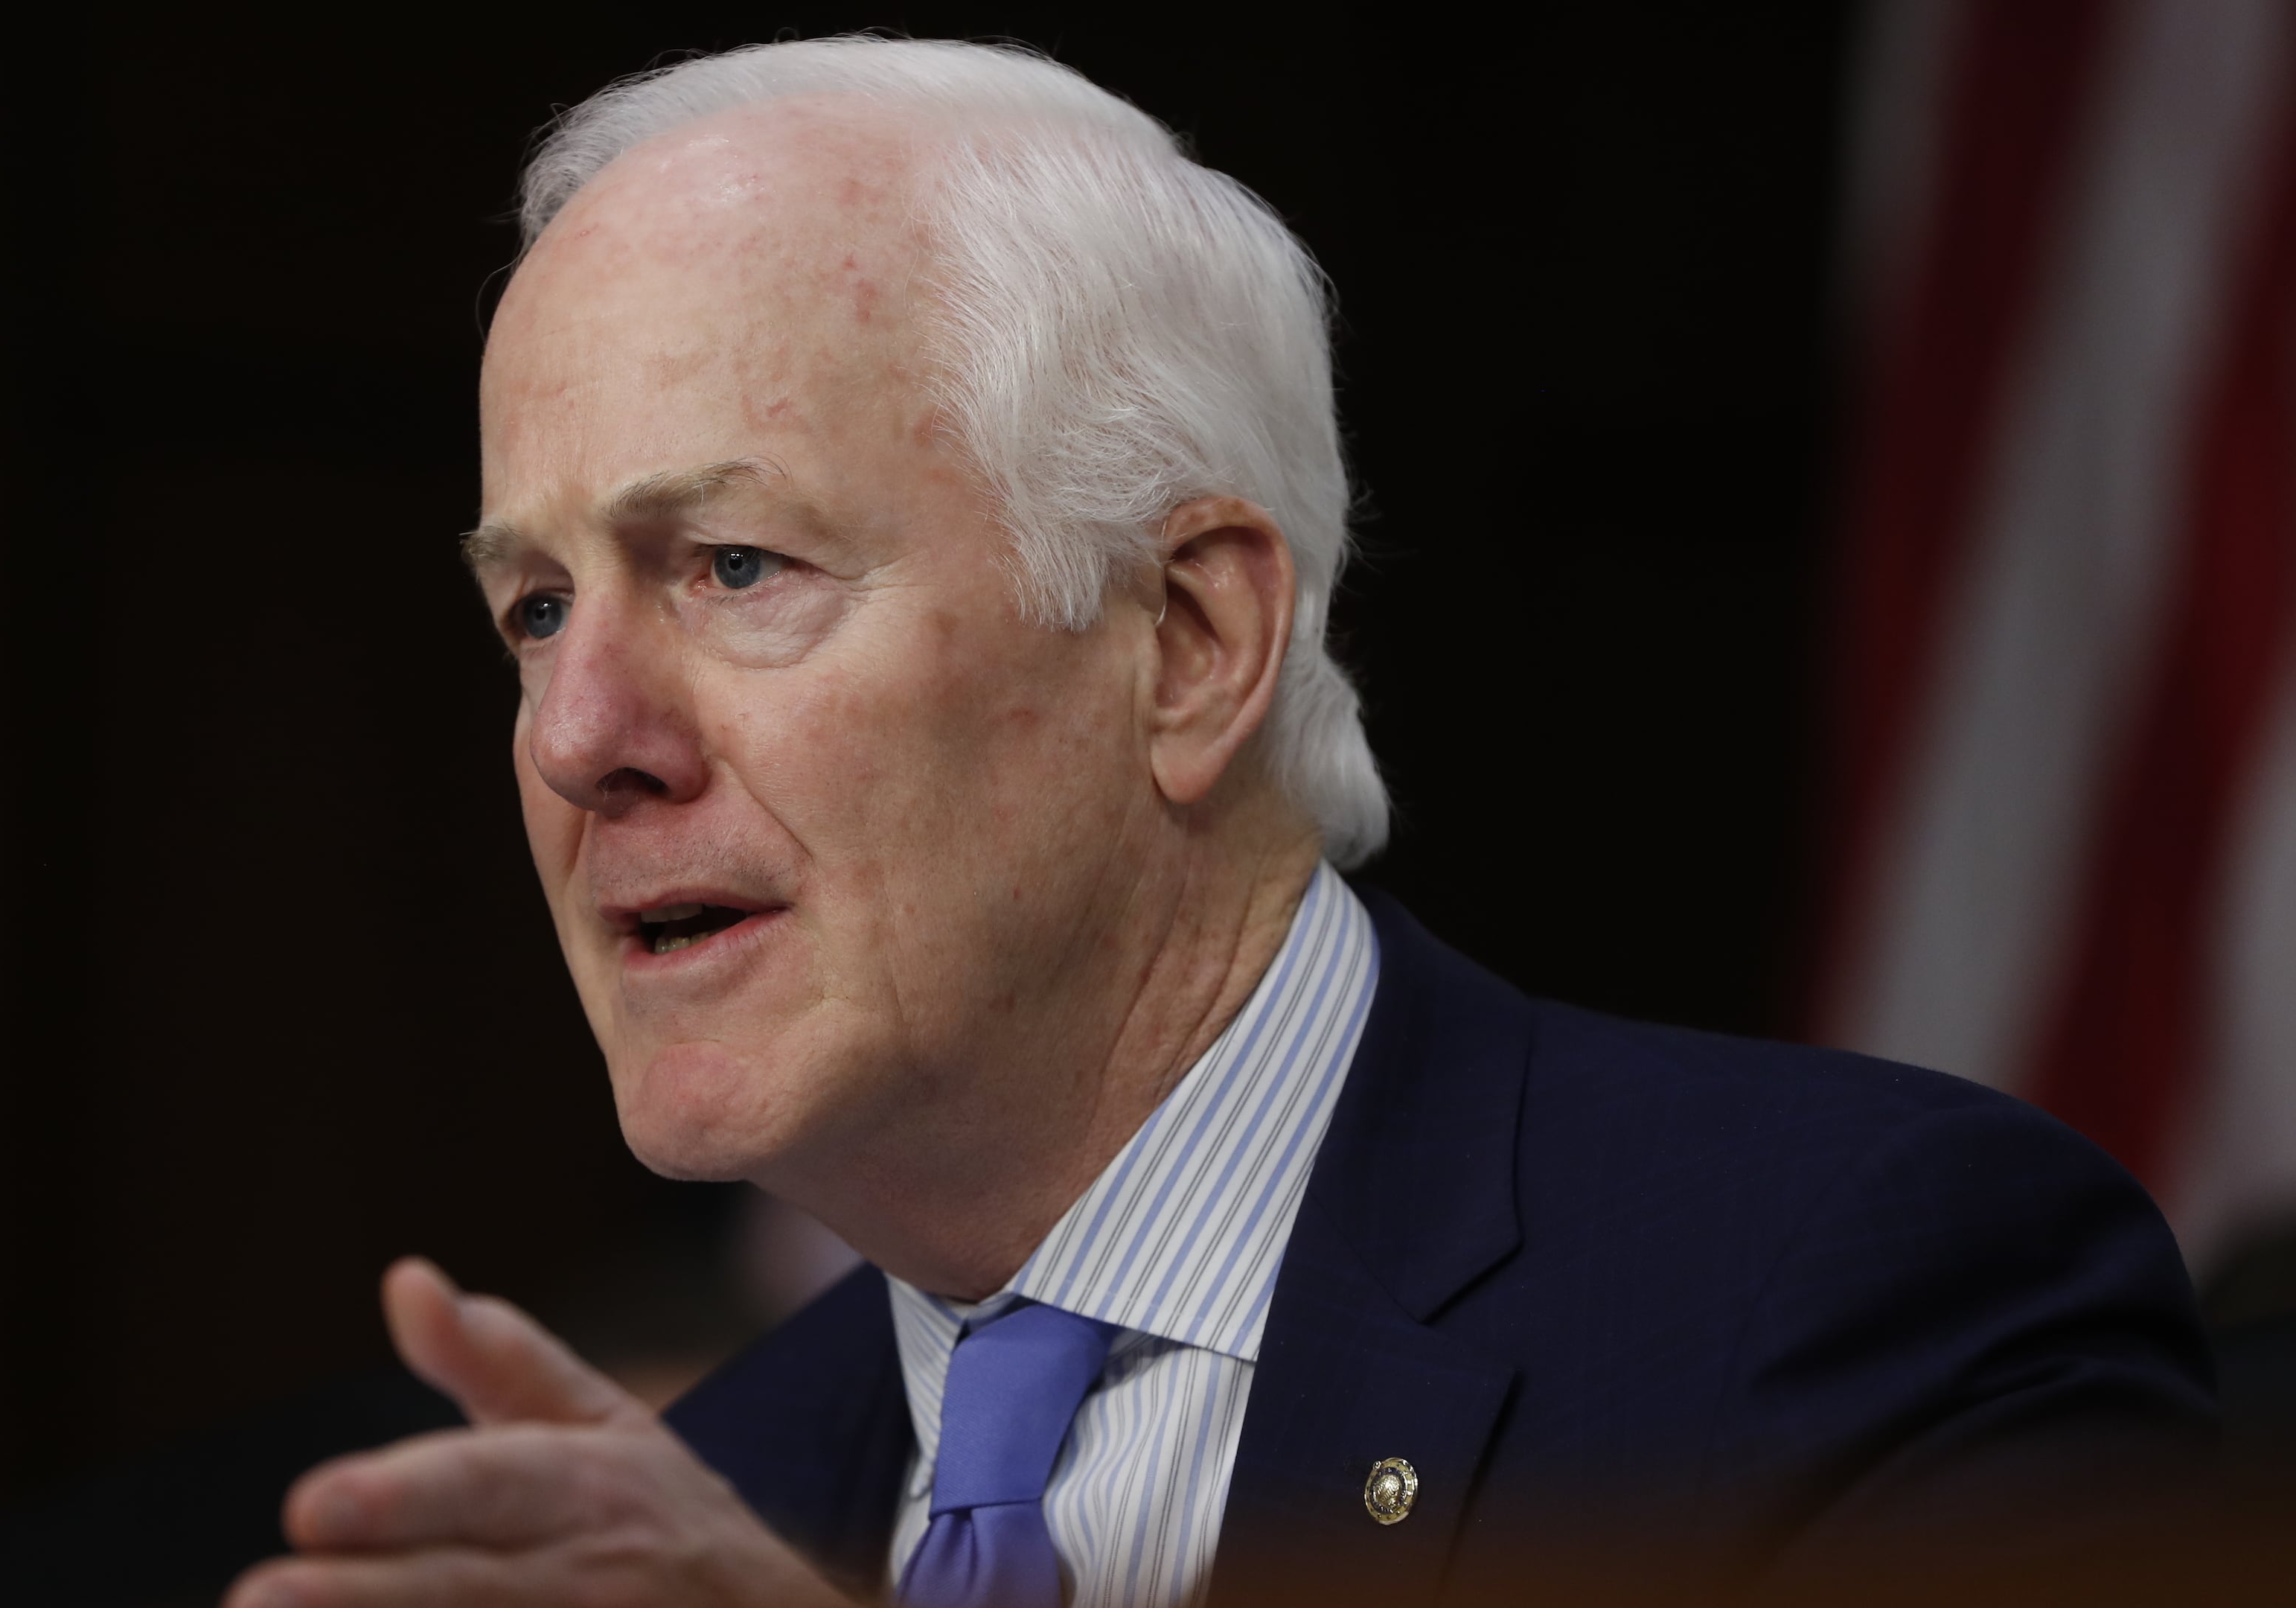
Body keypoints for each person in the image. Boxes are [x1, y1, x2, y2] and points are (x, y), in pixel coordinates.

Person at [224, 36, 2213, 1608]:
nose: (580, 733)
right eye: (535, 608)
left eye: (736, 567)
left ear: (1188, 642)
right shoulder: (701, 1503)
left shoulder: (1847, 1304)